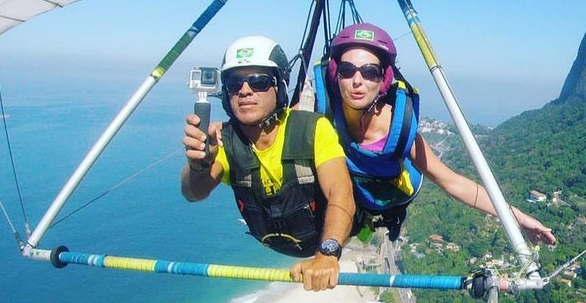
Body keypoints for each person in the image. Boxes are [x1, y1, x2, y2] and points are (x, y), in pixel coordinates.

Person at [315, 23, 556, 245]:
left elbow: (452, 182)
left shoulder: (395, 132)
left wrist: (517, 218)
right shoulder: (322, 113)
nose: (357, 81)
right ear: (336, 75)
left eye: (370, 72)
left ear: (383, 80)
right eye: (347, 70)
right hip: (345, 194)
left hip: (383, 200)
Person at [181, 36, 355, 292]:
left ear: (280, 87)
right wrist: (199, 164)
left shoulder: (312, 128)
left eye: (259, 81)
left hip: (318, 239)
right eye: (234, 83)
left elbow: (341, 192)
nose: (245, 90)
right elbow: (194, 192)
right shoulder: (224, 141)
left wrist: (327, 253)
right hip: (274, 240)